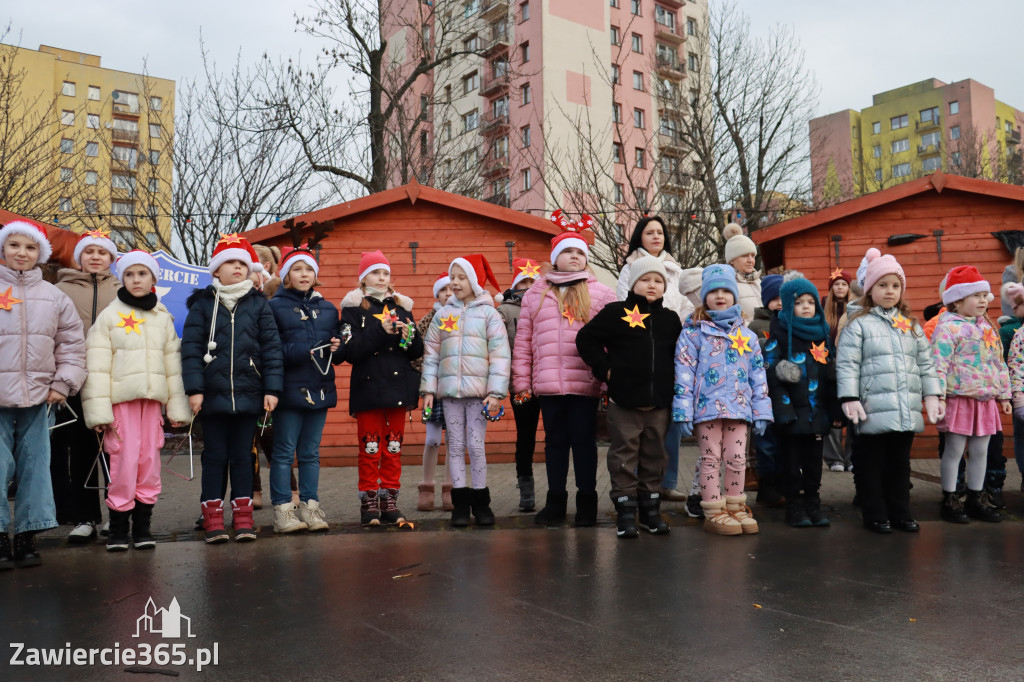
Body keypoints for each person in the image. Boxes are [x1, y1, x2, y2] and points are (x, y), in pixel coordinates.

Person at [511, 211, 616, 527]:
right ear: (555, 258)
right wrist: (521, 381)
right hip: (547, 384)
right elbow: (524, 341)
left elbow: (611, 342)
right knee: (554, 443)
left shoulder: (601, 293)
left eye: (580, 252)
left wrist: (610, 380)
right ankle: (555, 501)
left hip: (585, 382)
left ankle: (586, 502)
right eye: (568, 251)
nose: (574, 256)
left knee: (584, 442)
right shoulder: (536, 293)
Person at [81, 251, 191, 551]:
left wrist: (177, 407)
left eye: (142, 274)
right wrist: (99, 412)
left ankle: (142, 528)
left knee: (148, 465)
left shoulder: (162, 318)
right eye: (129, 274)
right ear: (122, 278)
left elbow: (173, 366)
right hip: (121, 407)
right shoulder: (109, 317)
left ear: (154, 279)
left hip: (151, 406)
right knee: (123, 465)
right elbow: (97, 366)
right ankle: (118, 529)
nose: (136, 279)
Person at [182, 234, 284, 543]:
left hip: (249, 394)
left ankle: (243, 517)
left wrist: (272, 389)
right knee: (214, 456)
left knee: (243, 457)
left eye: (242, 263)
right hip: (211, 398)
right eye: (230, 263)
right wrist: (195, 390)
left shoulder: (259, 305)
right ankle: (213, 518)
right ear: (216, 270)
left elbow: (272, 350)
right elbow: (190, 350)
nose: (237, 268)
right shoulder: (201, 305)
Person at [837, 248, 942, 534]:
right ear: (870, 289)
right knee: (871, 465)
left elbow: (926, 363)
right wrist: (849, 398)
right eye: (882, 285)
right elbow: (847, 364)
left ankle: (901, 512)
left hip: (904, 409)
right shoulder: (859, 324)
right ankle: (875, 513)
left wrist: (932, 395)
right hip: (871, 409)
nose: (889, 291)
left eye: (895, 285)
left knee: (900, 465)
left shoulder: (910, 326)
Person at [0, 220, 86, 568]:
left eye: (30, 247)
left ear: (41, 254)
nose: (22, 253)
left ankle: (26, 536)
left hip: (39, 397)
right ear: (3, 249)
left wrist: (62, 383)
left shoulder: (54, 296)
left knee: (35, 468)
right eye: (15, 245)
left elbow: (72, 345)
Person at [577, 256, 682, 538]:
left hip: (659, 402)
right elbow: (586, 339)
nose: (652, 285)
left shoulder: (671, 320)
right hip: (623, 402)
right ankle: (625, 512)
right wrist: (605, 370)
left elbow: (681, 355)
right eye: (645, 279)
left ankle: (650, 512)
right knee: (624, 456)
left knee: (654, 457)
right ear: (633, 282)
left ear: (664, 287)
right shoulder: (615, 313)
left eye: (658, 280)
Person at [672, 264, 772, 536]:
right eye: (713, 291)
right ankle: (714, 510)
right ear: (704, 296)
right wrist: (682, 413)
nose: (720, 296)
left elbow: (758, 376)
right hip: (706, 411)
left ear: (734, 296)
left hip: (739, 409)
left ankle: (736, 506)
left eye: (725, 291)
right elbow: (683, 373)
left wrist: (762, 411)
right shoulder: (693, 333)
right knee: (710, 459)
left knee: (738, 458)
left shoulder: (747, 335)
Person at [420, 255, 510, 526]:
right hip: (449, 393)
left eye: (461, 277)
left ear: (474, 280)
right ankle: (460, 505)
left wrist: (496, 392)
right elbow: (431, 355)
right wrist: (428, 390)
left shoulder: (489, 314)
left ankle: (481, 503)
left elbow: (500, 355)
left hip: (479, 394)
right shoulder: (443, 315)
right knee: (455, 445)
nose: (455, 283)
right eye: (452, 277)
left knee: (476, 445)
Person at [340, 250, 423, 527]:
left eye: (385, 272)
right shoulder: (352, 310)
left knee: (394, 447)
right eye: (376, 272)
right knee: (371, 448)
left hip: (399, 389)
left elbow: (416, 350)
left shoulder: (402, 307)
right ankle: (369, 501)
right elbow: (351, 351)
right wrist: (380, 331)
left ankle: (390, 499)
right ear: (363, 278)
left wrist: (407, 335)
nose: (382, 277)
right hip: (368, 390)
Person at [614, 216, 694, 504]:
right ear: (640, 237)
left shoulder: (676, 268)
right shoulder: (629, 267)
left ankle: (667, 482)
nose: (657, 236)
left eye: (661, 232)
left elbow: (685, 303)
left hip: (671, 345)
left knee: (669, 422)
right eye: (650, 232)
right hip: (641, 347)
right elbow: (623, 302)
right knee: (636, 431)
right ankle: (635, 486)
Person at [267, 244, 344, 533]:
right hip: (288, 390)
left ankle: (311, 507)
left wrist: (338, 346)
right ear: (286, 275)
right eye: (297, 269)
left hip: (320, 387)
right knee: (285, 452)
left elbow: (336, 342)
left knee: (311, 453)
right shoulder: (274, 305)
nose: (304, 274)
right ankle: (283, 511)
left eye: (309, 269)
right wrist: (305, 350)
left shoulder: (327, 308)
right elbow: (271, 349)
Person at [50, 229, 120, 544]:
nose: (95, 257)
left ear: (111, 258)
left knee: (114, 451)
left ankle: (116, 514)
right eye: (88, 252)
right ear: (79, 258)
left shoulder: (123, 289)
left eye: (101, 252)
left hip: (114, 382)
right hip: (76, 382)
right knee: (80, 450)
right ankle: (85, 517)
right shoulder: (59, 289)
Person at [931, 266, 1010, 524]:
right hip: (959, 399)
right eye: (976, 295)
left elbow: (999, 362)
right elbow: (938, 364)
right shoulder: (948, 328)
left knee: (981, 451)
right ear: (957, 300)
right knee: (953, 450)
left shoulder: (987, 327)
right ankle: (950, 498)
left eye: (985, 295)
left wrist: (1004, 395)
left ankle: (977, 498)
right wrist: (938, 396)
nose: (983, 301)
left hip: (985, 400)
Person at [765, 277, 841, 528]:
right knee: (790, 463)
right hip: (791, 416)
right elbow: (772, 377)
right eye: (799, 302)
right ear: (788, 305)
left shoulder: (821, 335)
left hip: (816, 414)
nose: (807, 306)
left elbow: (830, 378)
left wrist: (834, 410)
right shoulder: (779, 334)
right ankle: (794, 506)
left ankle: (813, 502)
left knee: (813, 464)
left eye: (811, 302)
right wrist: (784, 412)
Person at [496, 258, 541, 512]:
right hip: (521, 385)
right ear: (515, 285)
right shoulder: (504, 311)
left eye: (533, 281)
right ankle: (526, 489)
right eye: (523, 281)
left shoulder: (547, 306)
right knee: (525, 436)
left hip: (547, 381)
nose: (529, 286)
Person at [413, 273, 455, 512]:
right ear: (436, 294)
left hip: (456, 388)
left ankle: (449, 488)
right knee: (432, 439)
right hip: (433, 389)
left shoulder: (464, 316)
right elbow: (417, 355)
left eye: (452, 288)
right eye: (443, 289)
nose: (448, 293)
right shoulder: (429, 319)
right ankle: (426, 486)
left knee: (453, 440)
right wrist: (428, 380)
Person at [748, 273, 785, 510]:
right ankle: (766, 487)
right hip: (764, 394)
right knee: (765, 443)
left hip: (785, 394)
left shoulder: (792, 323)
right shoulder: (757, 327)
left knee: (783, 443)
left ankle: (783, 485)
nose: (779, 302)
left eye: (784, 297)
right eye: (774, 298)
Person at [821, 269, 853, 473]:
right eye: (836, 284)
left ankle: (851, 457)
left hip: (850, 365)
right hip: (828, 367)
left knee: (852, 411)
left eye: (844, 284)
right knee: (831, 411)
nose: (840, 287)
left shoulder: (856, 308)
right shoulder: (823, 309)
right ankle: (834, 458)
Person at [1002, 283, 1024, 490]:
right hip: (1023, 398)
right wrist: (1017, 394)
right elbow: (1015, 365)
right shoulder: (1018, 335)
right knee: (1021, 437)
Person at [721, 223, 761, 324]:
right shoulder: (726, 286)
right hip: (743, 338)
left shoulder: (761, 282)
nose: (750, 260)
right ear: (731, 260)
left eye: (753, 255)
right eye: (744, 256)